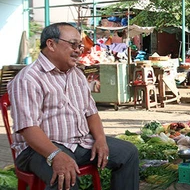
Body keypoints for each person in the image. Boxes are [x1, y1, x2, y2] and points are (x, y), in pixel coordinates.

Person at [8, 22, 139, 190]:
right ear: (51, 44)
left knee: (128, 154)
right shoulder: (28, 79)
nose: (79, 50)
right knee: (64, 174)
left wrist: (100, 139)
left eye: (80, 45)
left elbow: (91, 113)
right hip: (38, 148)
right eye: (73, 44)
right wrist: (55, 154)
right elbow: (28, 128)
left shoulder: (76, 74)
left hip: (80, 142)